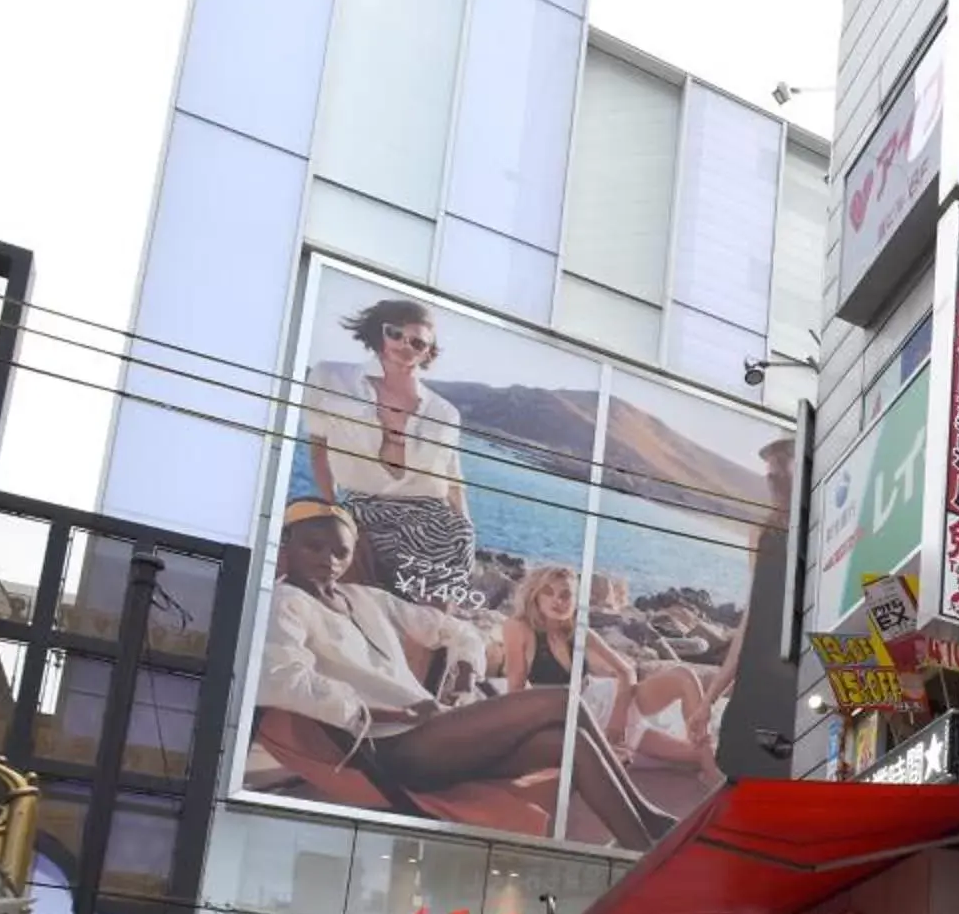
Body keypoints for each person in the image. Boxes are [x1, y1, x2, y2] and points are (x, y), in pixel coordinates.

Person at [258, 501, 676, 846]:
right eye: (314, 547)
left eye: (340, 552)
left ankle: (639, 841)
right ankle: (650, 822)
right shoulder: (287, 603)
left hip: (431, 732)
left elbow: (460, 633)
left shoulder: (364, 598)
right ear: (287, 545)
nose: (328, 561)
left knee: (569, 743)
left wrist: (461, 677)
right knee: (564, 702)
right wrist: (381, 714)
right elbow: (281, 679)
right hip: (392, 748)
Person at [305, 297, 477, 611]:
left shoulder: (445, 412)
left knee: (428, 620)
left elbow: (454, 481)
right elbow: (318, 448)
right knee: (359, 605)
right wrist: (332, 508)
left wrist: (467, 530)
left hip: (436, 524)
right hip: (364, 510)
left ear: (428, 351)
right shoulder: (330, 377)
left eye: (417, 342)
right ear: (379, 331)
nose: (404, 345)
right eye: (395, 333)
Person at [497, 565, 717, 772]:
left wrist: (618, 717)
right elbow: (516, 689)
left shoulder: (580, 632)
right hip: (575, 720)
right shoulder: (520, 628)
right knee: (697, 759)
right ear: (536, 596)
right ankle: (703, 759)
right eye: (548, 592)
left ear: (575, 600)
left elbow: (626, 671)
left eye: (565, 595)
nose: (557, 600)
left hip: (606, 701)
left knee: (684, 676)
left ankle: (701, 746)